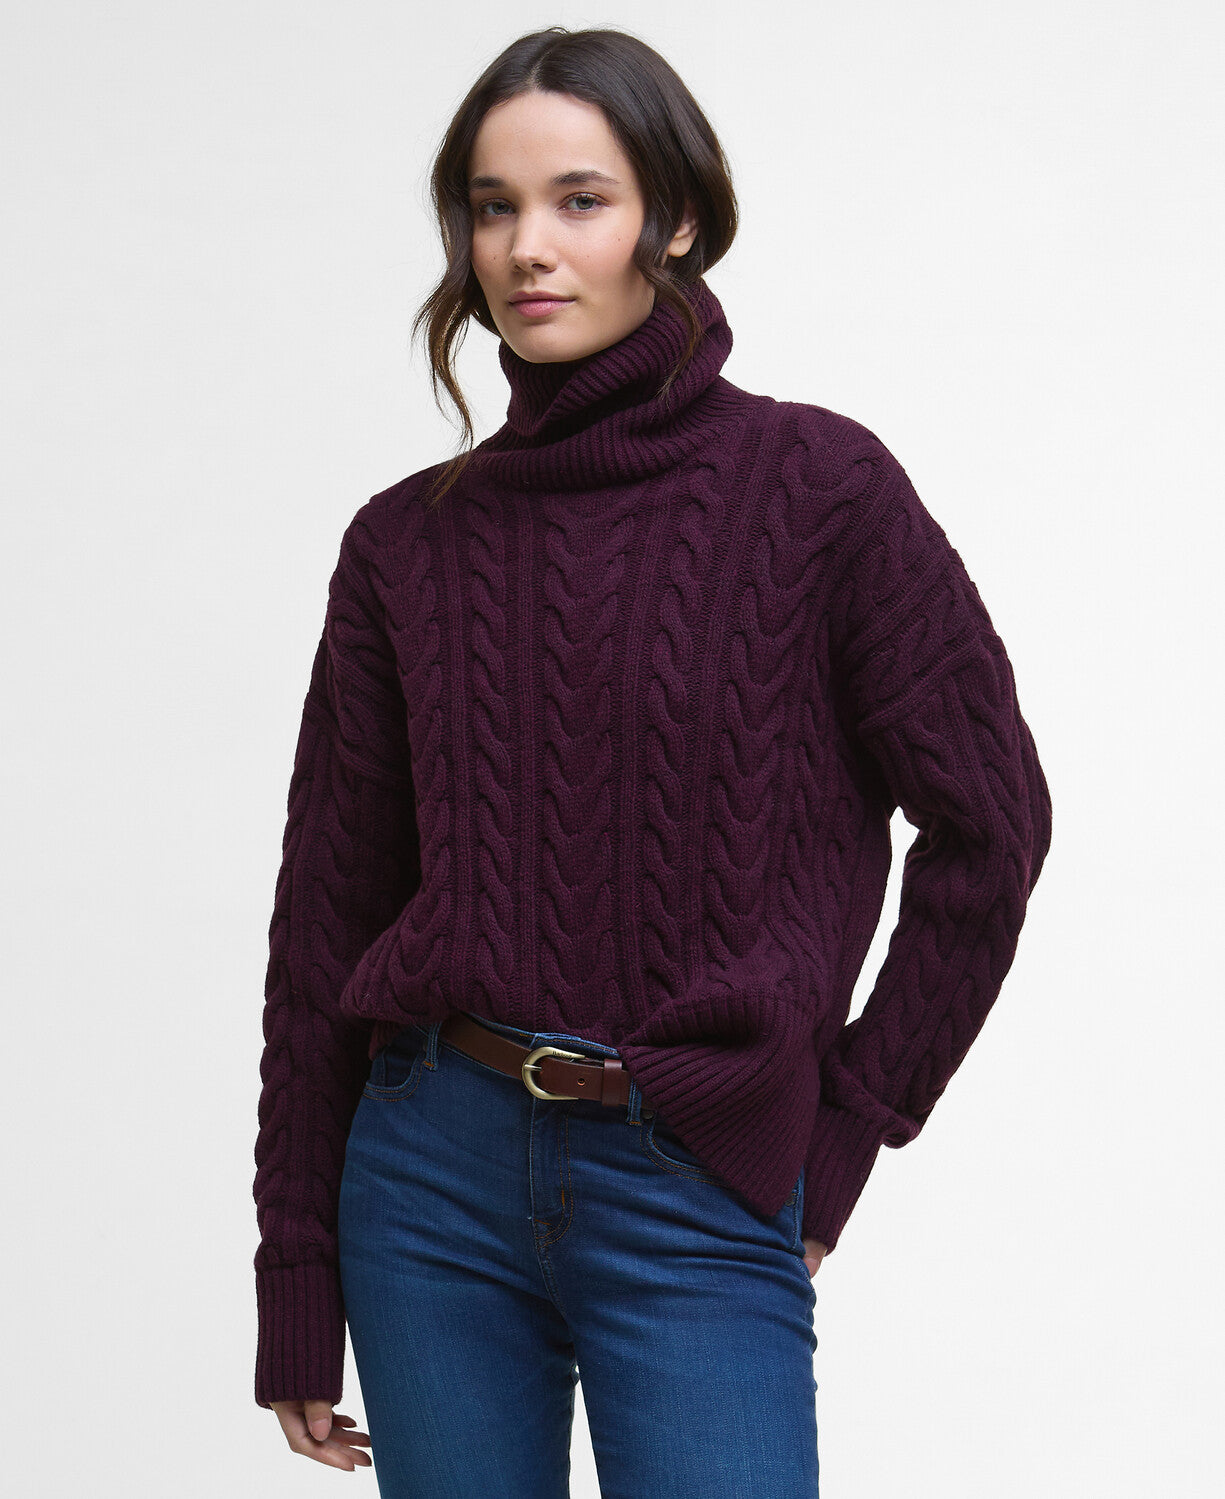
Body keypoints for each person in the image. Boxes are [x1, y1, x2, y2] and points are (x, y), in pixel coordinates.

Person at [252, 25, 1053, 1497]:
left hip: (693, 1169)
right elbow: (326, 921)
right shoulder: (403, 543)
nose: (527, 248)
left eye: (580, 199)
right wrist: (296, 1271)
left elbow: (991, 826)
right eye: (492, 207)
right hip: (428, 1175)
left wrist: (851, 1125)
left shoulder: (818, 490)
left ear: (673, 219)